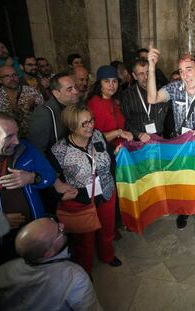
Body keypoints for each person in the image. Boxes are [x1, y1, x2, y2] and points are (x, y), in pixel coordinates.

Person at [147, 49, 195, 240]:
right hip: (181, 148)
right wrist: (151, 66)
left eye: (188, 69)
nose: (185, 75)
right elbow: (152, 98)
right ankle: (184, 212)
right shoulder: (174, 88)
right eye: (181, 71)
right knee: (183, 183)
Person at [50, 104, 122, 273]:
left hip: (106, 192)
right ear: (71, 126)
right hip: (81, 201)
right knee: (85, 239)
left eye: (91, 121)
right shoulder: (59, 151)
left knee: (107, 228)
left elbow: (109, 155)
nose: (90, 126)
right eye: (84, 124)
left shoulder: (98, 135)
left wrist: (116, 153)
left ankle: (107, 255)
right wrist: (60, 194)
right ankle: (85, 269)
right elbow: (51, 179)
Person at [0, 111, 56, 279]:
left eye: (16, 133)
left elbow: (49, 175)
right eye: (9, 137)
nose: (17, 141)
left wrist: (32, 177)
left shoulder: (27, 148)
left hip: (36, 234)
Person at [0, 218, 101, 311]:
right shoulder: (75, 278)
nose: (62, 225)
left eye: (53, 220)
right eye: (59, 231)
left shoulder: (1, 272)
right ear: (48, 253)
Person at [0, 66, 44, 137]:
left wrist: (33, 107)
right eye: (7, 76)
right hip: (11, 139)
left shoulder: (32, 92)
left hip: (36, 135)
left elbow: (44, 115)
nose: (12, 78)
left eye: (14, 75)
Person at [121, 59, 168, 141]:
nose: (146, 77)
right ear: (135, 76)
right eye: (141, 74)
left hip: (160, 140)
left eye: (148, 72)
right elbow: (125, 121)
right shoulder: (127, 95)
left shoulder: (162, 91)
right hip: (139, 142)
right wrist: (138, 134)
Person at [87, 65, 133, 147]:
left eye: (115, 81)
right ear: (99, 84)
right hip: (107, 153)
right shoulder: (95, 104)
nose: (111, 85)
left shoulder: (113, 100)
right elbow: (93, 138)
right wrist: (118, 133)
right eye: (106, 81)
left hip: (121, 148)